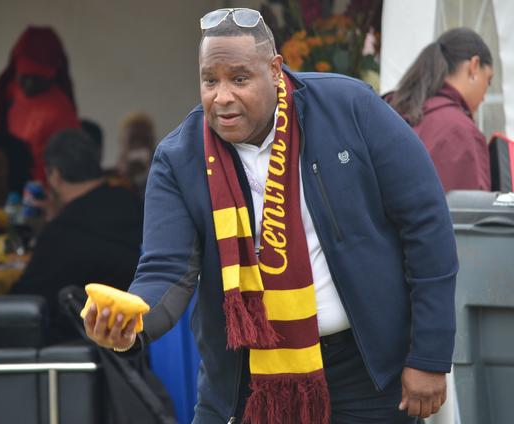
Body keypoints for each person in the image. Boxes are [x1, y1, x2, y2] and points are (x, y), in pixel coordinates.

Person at [84, 9, 457, 424]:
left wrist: (429, 353)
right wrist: (131, 322)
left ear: (275, 69)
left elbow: (427, 224)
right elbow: (166, 269)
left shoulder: (349, 107)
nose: (221, 97)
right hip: (246, 382)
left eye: (239, 79)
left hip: (366, 372)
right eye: (210, 80)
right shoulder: (179, 158)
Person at [11, 128, 143, 343]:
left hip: (83, 345)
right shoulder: (132, 203)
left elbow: (22, 303)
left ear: (54, 175)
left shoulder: (62, 232)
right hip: (141, 335)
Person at [387, 28, 493, 192]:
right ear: (474, 66)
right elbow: (471, 214)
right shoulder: (460, 132)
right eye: (489, 81)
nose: (485, 96)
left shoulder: (392, 109)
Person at [0, 26, 80, 183]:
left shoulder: (60, 110)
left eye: (37, 78)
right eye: (25, 77)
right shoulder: (10, 92)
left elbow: (68, 163)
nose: (29, 84)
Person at [115, 112, 156, 198]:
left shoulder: (162, 182)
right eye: (132, 139)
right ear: (121, 142)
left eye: (145, 140)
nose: (138, 145)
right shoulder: (109, 182)